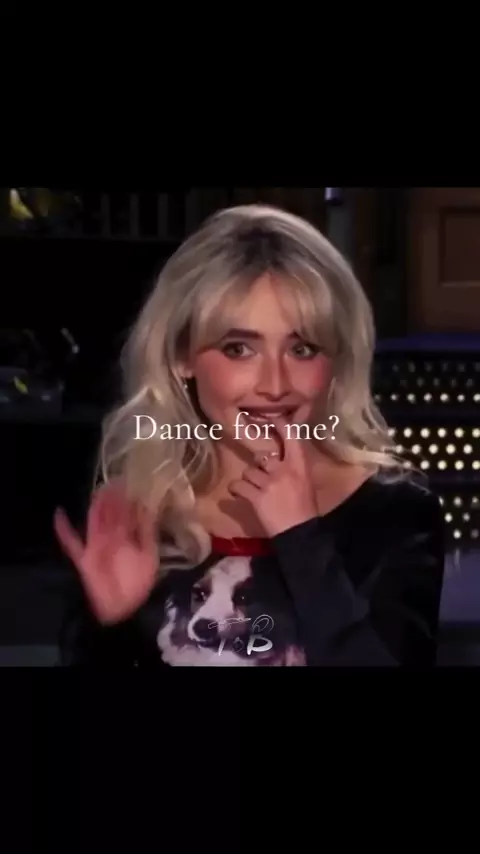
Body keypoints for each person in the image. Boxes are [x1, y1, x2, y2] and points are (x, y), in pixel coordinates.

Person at [54, 203, 446, 667]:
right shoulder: (138, 515)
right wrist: (109, 626)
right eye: (239, 349)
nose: (275, 385)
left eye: (303, 349)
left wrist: (301, 538)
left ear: (336, 361)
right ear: (181, 357)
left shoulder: (397, 514)